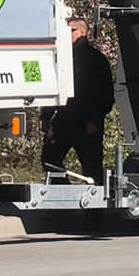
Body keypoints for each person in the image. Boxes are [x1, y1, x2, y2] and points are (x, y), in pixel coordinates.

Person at [42, 13, 115, 184]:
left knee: (91, 168)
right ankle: (62, 201)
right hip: (63, 120)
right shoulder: (61, 58)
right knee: (49, 159)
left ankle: (95, 208)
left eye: (70, 30)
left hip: (86, 123)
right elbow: (53, 87)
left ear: (82, 32)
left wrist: (95, 121)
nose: (66, 35)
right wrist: (45, 117)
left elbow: (105, 94)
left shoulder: (96, 59)